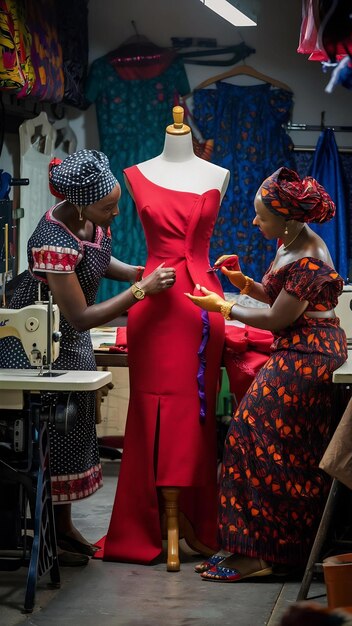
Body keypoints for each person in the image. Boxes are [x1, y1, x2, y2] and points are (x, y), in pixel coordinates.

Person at [0, 149, 176, 566]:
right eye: (108, 207)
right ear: (80, 203)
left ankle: (62, 528)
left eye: (116, 203)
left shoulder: (87, 218)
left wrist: (134, 271)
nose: (116, 213)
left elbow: (96, 258)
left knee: (75, 431)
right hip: (43, 340)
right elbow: (78, 317)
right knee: (55, 435)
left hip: (68, 337)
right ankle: (51, 530)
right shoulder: (51, 240)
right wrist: (140, 291)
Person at [185, 166, 347, 582]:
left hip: (309, 355)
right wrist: (244, 283)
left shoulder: (309, 257)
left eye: (261, 216)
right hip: (297, 348)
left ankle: (271, 551)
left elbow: (277, 319)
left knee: (255, 437)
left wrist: (221, 306)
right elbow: (280, 297)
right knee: (263, 441)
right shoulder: (290, 241)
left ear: (289, 219)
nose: (254, 222)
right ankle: (257, 547)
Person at [96, 106, 230, 569]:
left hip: (200, 308)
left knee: (194, 415)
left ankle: (192, 521)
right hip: (152, 304)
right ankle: (150, 525)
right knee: (147, 410)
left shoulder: (218, 173)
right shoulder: (134, 174)